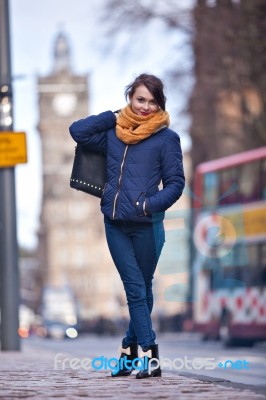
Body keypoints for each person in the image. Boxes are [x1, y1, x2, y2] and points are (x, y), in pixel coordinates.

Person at [69, 73, 185, 379]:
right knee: (135, 289)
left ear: (160, 104)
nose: (146, 107)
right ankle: (150, 354)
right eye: (140, 99)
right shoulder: (114, 132)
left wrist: (148, 205)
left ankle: (128, 353)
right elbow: (77, 131)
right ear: (130, 100)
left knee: (142, 290)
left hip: (148, 225)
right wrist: (112, 116)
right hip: (115, 223)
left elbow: (176, 184)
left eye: (152, 101)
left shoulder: (167, 139)